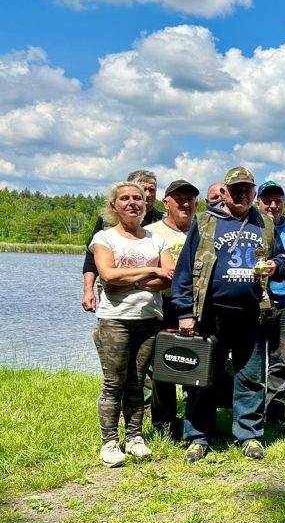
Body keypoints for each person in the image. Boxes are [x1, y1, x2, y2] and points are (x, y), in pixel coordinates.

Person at [172, 166, 285, 462]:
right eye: (236, 190)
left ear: (254, 192)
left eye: (248, 190)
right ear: (224, 192)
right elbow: (184, 270)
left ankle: (248, 435)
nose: (243, 195)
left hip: (252, 316)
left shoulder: (265, 223)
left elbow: (281, 259)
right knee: (202, 379)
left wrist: (276, 266)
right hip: (211, 315)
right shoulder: (206, 222)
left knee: (251, 378)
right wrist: (185, 312)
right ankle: (198, 436)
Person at [89, 181, 174, 467]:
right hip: (114, 320)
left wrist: (130, 280)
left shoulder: (156, 239)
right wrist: (150, 270)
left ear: (145, 204)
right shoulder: (104, 238)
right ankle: (110, 442)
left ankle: (136, 437)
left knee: (138, 383)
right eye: (124, 199)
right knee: (114, 383)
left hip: (149, 319)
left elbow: (168, 277)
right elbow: (108, 274)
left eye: (137, 198)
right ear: (114, 206)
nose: (132, 203)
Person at [146, 179, 200, 439]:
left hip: (195, 307)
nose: (185, 204)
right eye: (179, 199)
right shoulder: (152, 232)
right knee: (163, 368)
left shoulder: (203, 230)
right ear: (166, 202)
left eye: (189, 200)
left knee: (197, 365)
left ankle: (195, 423)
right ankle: (164, 425)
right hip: (164, 304)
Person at [82, 170, 162, 313]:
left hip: (151, 297)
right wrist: (88, 290)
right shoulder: (107, 222)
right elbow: (91, 256)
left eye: (152, 190)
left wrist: (136, 284)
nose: (148, 194)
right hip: (113, 295)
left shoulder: (163, 221)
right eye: (144, 189)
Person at [255, 180, 285, 425]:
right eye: (267, 201)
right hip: (256, 303)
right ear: (258, 202)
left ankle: (275, 414)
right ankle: (252, 413)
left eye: (277, 201)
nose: (273, 205)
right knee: (253, 360)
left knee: (282, 360)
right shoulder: (251, 227)